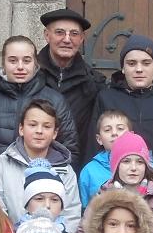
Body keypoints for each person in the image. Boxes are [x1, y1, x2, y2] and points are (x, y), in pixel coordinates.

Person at [0, 35, 77, 160]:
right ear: (3, 63)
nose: (20, 67)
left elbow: (69, 150)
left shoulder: (55, 100)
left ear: (35, 64)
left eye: (26, 60)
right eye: (13, 60)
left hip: (42, 177)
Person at [92, 35, 153, 167]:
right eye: (131, 63)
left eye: (146, 63)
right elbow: (94, 144)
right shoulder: (106, 98)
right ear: (123, 68)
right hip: (114, 180)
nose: (139, 69)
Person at [0, 100, 83, 230]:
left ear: (55, 133)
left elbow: (71, 214)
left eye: (47, 126)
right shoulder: (2, 165)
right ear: (21, 129)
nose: (39, 131)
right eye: (32, 125)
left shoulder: (65, 170)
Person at [37, 9, 105, 162]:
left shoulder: (94, 83)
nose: (67, 40)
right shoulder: (30, 77)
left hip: (75, 168)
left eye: (74, 34)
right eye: (60, 32)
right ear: (47, 35)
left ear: (82, 38)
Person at [80, 110, 133, 207]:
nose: (114, 133)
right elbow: (84, 209)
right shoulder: (89, 171)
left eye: (120, 128)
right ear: (99, 139)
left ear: (132, 135)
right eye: (107, 130)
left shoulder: (145, 165)